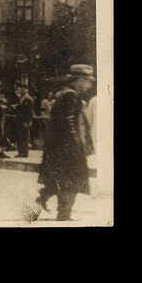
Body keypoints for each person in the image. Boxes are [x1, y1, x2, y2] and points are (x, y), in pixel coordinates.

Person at [35, 64, 95, 221]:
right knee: (74, 180)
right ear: (79, 80)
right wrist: (75, 146)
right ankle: (63, 214)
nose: (90, 85)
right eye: (88, 81)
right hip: (69, 148)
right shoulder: (70, 95)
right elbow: (68, 123)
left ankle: (38, 204)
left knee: (60, 180)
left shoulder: (66, 94)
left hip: (61, 148)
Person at [14, 82, 35, 158]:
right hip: (20, 120)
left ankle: (24, 153)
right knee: (20, 137)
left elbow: (29, 112)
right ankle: (20, 152)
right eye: (21, 88)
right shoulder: (21, 98)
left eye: (23, 88)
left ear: (27, 90)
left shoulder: (28, 99)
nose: (22, 90)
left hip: (25, 121)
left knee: (24, 137)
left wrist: (27, 121)